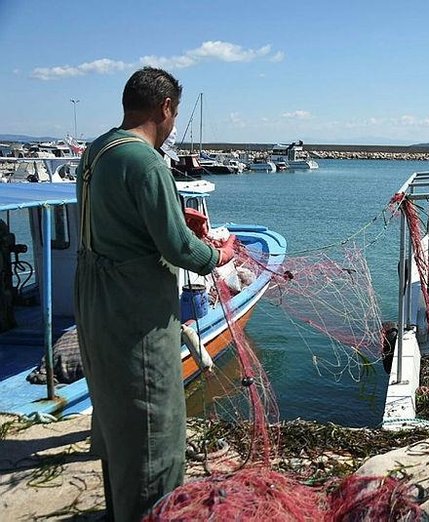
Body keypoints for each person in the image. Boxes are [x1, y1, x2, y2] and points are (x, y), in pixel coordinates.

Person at [74, 67, 235, 521]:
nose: (173, 124)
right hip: (135, 312)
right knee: (153, 425)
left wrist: (169, 207)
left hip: (96, 305)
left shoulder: (98, 149)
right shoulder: (145, 160)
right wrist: (217, 256)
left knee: (118, 415)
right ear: (165, 108)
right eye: (175, 113)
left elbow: (114, 216)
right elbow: (179, 248)